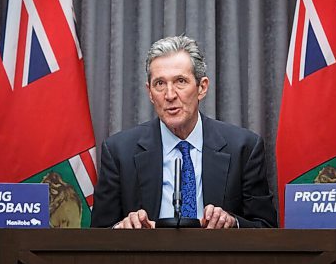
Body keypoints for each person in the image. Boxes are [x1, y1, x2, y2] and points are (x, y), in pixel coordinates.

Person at [91, 35, 277, 229]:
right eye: (160, 84)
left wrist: (233, 223)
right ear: (150, 93)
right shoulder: (119, 152)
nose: (170, 95)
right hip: (147, 258)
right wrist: (120, 229)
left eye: (180, 81)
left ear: (202, 88)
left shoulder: (243, 148)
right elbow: (97, 236)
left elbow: (267, 227)